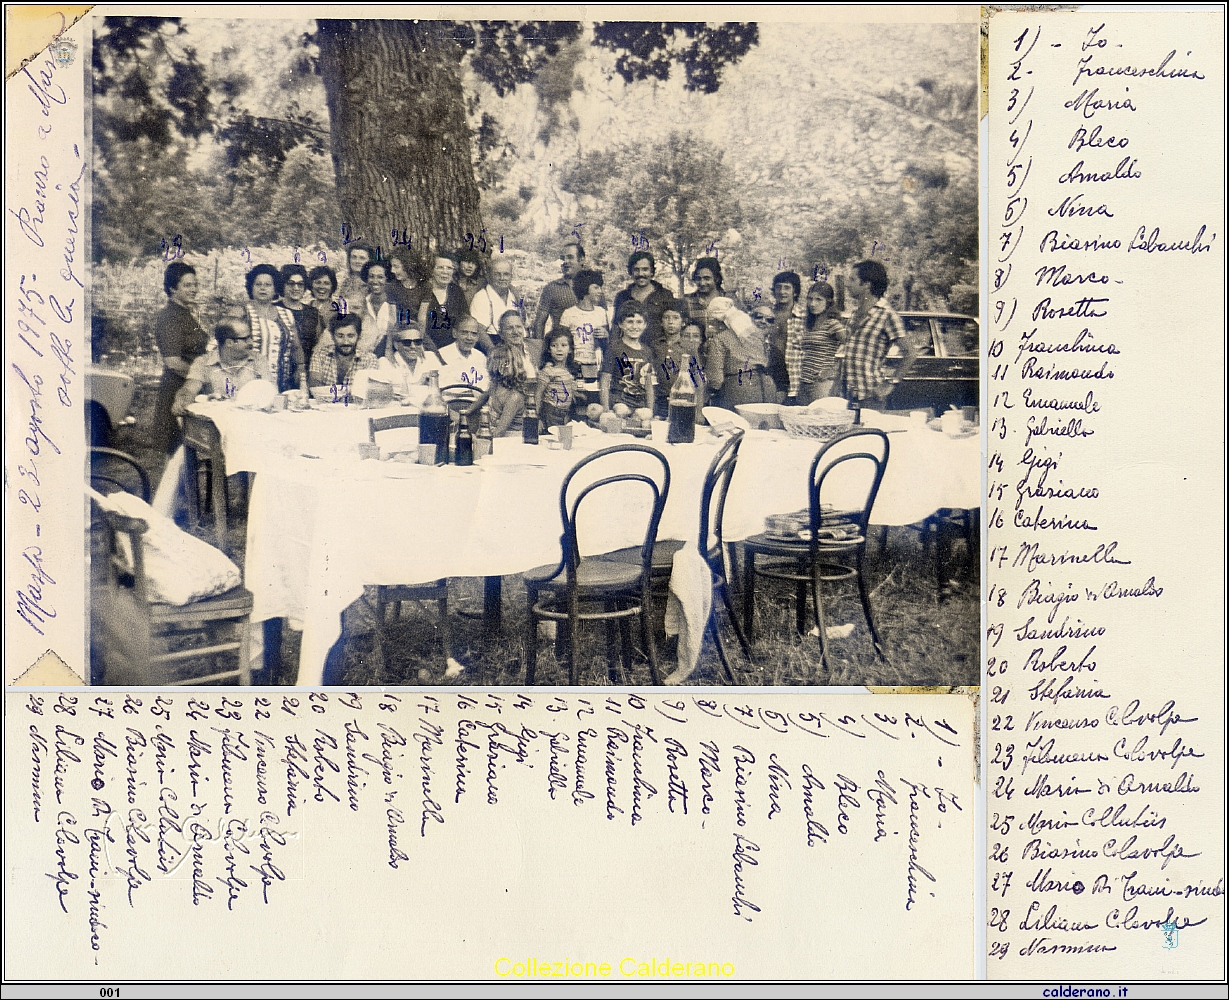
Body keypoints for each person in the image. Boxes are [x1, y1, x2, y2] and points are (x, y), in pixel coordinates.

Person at [836, 259, 918, 410]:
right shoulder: (855, 313)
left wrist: (891, 383)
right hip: (848, 396)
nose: (847, 284)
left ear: (867, 284)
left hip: (871, 397)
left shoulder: (887, 315)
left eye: (852, 279)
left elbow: (910, 353)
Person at [151, 261, 210, 453]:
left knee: (189, 456)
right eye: (187, 285)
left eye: (195, 284)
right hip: (176, 388)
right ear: (172, 288)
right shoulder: (169, 317)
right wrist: (202, 376)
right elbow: (173, 362)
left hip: (190, 388)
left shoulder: (187, 314)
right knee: (176, 457)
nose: (194, 289)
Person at [172, 321, 271, 415]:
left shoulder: (259, 360)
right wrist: (182, 399)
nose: (251, 342)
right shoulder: (203, 362)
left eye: (251, 337)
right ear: (229, 343)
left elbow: (270, 392)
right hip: (215, 425)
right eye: (246, 339)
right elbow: (189, 389)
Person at [244, 264, 307, 394]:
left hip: (281, 379)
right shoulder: (243, 312)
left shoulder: (286, 314)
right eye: (258, 284)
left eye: (268, 285)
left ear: (275, 288)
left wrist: (300, 368)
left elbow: (296, 347)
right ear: (251, 287)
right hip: (249, 379)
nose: (263, 288)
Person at [705, 297, 773, 408]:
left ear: (717, 321)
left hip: (739, 389)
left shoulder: (720, 339)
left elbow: (715, 380)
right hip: (766, 387)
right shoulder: (756, 334)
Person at [611, 250, 676, 351]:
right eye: (636, 270)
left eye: (645, 269)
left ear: (652, 271)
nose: (641, 274)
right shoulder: (622, 296)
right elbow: (616, 328)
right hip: (629, 351)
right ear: (631, 272)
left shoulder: (665, 295)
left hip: (658, 351)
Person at [600, 301, 658, 413]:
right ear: (621, 324)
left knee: (645, 416)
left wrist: (650, 410)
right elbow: (605, 380)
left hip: (639, 403)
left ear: (645, 325)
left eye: (639, 322)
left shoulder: (647, 351)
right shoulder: (614, 348)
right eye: (630, 322)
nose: (634, 326)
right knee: (621, 411)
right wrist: (606, 410)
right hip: (619, 401)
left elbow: (649, 384)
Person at [559, 268, 610, 389]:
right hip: (575, 366)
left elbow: (607, 345)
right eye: (596, 287)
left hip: (595, 366)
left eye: (600, 288)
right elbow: (561, 341)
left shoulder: (601, 312)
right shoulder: (569, 313)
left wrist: (606, 335)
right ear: (585, 288)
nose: (600, 291)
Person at [798, 281, 845, 404]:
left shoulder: (833, 324)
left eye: (819, 300)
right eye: (810, 299)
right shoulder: (810, 324)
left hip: (821, 384)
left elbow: (852, 347)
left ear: (828, 302)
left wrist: (833, 370)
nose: (812, 304)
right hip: (804, 382)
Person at [309, 313, 379, 392]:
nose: (345, 342)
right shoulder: (320, 354)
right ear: (332, 336)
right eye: (340, 336)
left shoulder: (369, 359)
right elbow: (314, 385)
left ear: (359, 336)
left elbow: (369, 391)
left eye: (350, 336)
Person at [414, 253, 469, 349]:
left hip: (453, 348)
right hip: (426, 347)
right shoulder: (421, 291)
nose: (445, 271)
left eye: (449, 268)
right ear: (431, 271)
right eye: (440, 267)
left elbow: (465, 320)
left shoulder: (456, 291)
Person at [655, 319, 707, 420]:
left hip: (689, 403)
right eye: (687, 336)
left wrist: (699, 411)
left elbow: (699, 383)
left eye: (696, 336)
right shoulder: (676, 355)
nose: (691, 340)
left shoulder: (703, 357)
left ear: (701, 339)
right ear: (681, 338)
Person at [532, 240, 583, 339]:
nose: (565, 261)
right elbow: (539, 323)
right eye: (563, 258)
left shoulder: (593, 286)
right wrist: (539, 347)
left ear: (581, 259)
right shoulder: (552, 288)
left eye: (570, 257)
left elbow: (602, 320)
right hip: (561, 348)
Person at [470, 256, 522, 352]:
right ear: (489, 276)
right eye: (497, 274)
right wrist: (493, 351)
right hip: (493, 343)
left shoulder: (514, 295)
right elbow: (479, 329)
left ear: (511, 276)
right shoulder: (482, 297)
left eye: (506, 274)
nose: (502, 278)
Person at [376, 323, 441, 397]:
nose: (413, 346)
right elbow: (386, 393)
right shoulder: (386, 363)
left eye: (417, 342)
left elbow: (445, 383)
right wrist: (421, 382)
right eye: (407, 342)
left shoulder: (430, 357)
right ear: (396, 345)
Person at [770, 270, 806, 404]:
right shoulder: (765, 316)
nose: (782, 292)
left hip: (795, 376)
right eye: (778, 287)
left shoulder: (805, 316)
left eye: (787, 287)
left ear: (795, 292)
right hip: (771, 375)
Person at [536, 329, 580, 428]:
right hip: (550, 412)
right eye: (554, 346)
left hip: (565, 413)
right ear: (548, 349)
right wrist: (537, 418)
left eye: (563, 345)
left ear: (570, 349)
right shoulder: (547, 371)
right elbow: (538, 395)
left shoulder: (570, 370)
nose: (559, 349)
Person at [483, 342, 528, 437]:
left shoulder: (514, 397)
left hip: (511, 439)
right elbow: (482, 398)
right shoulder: (494, 386)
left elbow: (500, 431)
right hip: (494, 435)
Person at [280, 263, 322, 364]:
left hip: (306, 366)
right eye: (291, 283)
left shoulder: (312, 312)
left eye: (300, 284)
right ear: (283, 285)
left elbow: (317, 344)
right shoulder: (276, 308)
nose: (296, 288)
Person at [437, 315, 488, 390]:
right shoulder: (442, 355)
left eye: (474, 334)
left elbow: (487, 386)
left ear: (477, 337)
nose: (469, 338)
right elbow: (442, 389)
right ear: (455, 333)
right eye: (464, 333)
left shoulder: (481, 357)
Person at [360, 258, 398, 357]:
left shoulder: (395, 305)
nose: (375, 281)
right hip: (364, 354)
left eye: (380, 277)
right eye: (371, 277)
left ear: (387, 279)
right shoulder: (362, 303)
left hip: (389, 354)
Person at [496, 308, 538, 381]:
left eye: (518, 327)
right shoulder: (498, 356)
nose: (515, 332)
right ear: (501, 334)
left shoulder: (537, 346)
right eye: (509, 328)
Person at [685, 257, 724, 327]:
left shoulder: (728, 299)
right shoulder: (687, 301)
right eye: (698, 278)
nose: (702, 283)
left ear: (717, 279)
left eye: (707, 278)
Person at [337, 243, 373, 308]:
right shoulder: (344, 282)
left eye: (362, 258)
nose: (357, 261)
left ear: (369, 261)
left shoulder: (373, 284)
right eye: (354, 257)